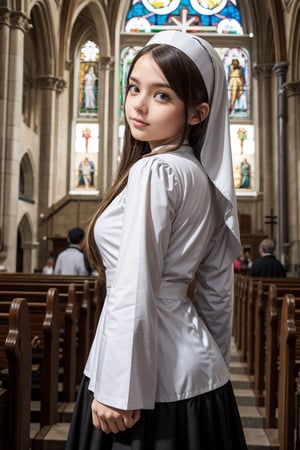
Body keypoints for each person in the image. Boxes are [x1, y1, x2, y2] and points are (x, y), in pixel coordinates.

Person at [66, 30, 247, 450]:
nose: (138, 105)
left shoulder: (156, 171)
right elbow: (217, 290)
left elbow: (134, 282)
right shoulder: (200, 177)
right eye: (133, 88)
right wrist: (216, 356)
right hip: (199, 375)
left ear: (198, 113)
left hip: (142, 382)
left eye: (162, 95)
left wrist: (119, 389)